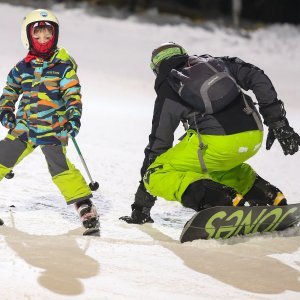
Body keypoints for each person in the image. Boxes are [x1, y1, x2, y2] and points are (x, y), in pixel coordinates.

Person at [120, 42, 300, 224]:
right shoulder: (215, 63)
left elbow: (159, 144)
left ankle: (222, 201)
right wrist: (278, 123)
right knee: (211, 166)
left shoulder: (170, 86)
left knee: (154, 173)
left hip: (218, 144)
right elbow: (256, 76)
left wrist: (141, 206)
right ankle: (267, 197)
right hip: (254, 135)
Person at [0, 9, 99, 231]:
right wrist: (6, 110)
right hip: (23, 126)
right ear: (27, 38)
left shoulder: (62, 67)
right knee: (2, 156)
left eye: (48, 36)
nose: (43, 41)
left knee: (59, 167)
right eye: (38, 37)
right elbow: (10, 91)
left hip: (52, 127)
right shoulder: (22, 67)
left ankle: (84, 205)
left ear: (55, 37)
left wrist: (73, 119)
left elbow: (73, 96)